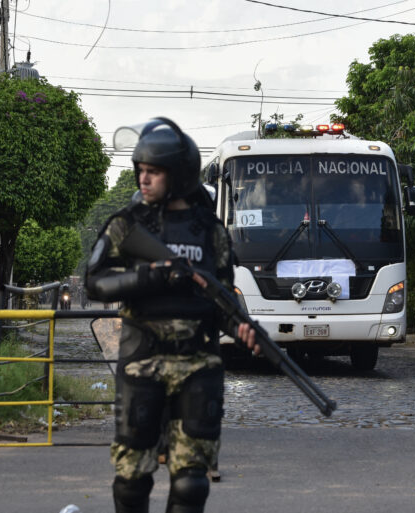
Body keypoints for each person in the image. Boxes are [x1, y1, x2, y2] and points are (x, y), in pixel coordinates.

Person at [85, 117, 258, 513]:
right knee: (131, 482)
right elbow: (95, 282)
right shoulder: (127, 226)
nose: (143, 180)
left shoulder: (210, 231)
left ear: (178, 176)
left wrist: (241, 327)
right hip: (141, 363)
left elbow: (222, 298)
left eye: (154, 172)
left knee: (192, 484)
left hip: (199, 365)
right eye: (141, 171)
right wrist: (148, 276)